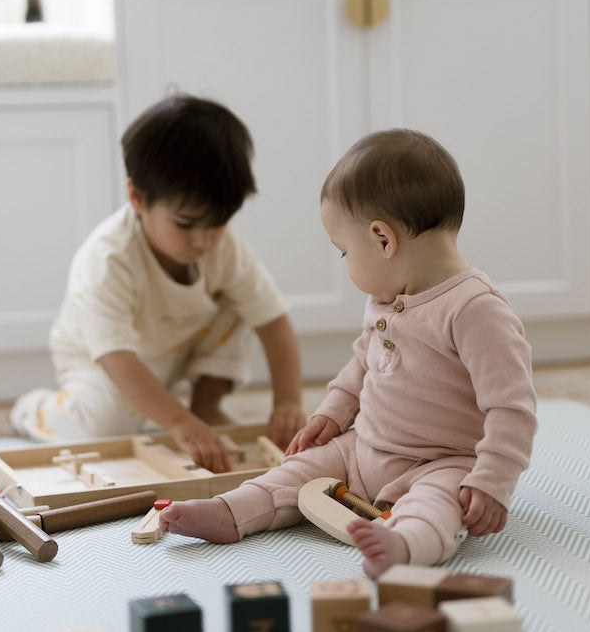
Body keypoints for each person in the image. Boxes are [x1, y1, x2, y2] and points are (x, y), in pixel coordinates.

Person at [159, 128, 538, 578]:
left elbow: (512, 408)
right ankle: (231, 511)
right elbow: (363, 362)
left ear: (383, 239)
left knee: (439, 506)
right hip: (361, 448)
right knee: (295, 470)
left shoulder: (475, 310)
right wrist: (333, 413)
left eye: (344, 253)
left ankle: (403, 544)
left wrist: (492, 481)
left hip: (441, 463)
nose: (346, 264)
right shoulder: (386, 298)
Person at [11, 94, 306, 471]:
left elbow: (273, 320)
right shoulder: (108, 260)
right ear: (137, 198)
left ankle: (205, 406)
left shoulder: (225, 247)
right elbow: (116, 356)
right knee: (106, 426)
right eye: (186, 224)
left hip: (175, 346)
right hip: (103, 360)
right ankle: (30, 410)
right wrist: (178, 422)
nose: (203, 240)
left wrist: (288, 401)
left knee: (245, 302)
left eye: (217, 224)